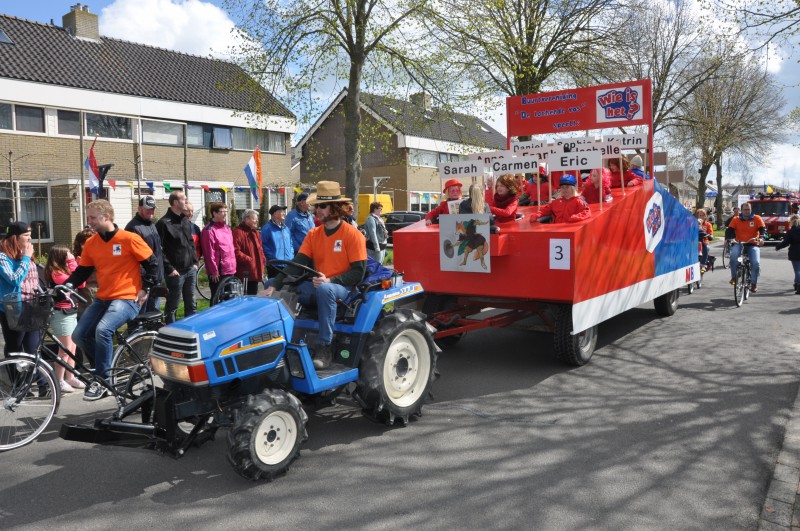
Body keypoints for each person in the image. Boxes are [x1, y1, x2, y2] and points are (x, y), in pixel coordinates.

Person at [264, 181, 367, 370]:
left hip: (343, 287)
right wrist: (275, 285)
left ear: (335, 208)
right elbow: (298, 263)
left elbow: (358, 273)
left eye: (322, 206)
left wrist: (331, 280)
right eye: (317, 206)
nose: (317, 210)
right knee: (271, 283)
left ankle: (324, 346)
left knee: (325, 289)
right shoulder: (314, 234)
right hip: (318, 283)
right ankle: (278, 341)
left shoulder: (353, 235)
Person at [65, 200, 158, 400]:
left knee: (103, 329)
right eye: (88, 217)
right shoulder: (91, 243)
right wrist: (67, 285)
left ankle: (103, 380)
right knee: (79, 335)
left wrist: (145, 289)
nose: (89, 221)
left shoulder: (129, 238)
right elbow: (82, 271)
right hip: (103, 298)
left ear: (106, 217)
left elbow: (153, 265)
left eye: (92, 218)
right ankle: (106, 365)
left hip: (128, 298)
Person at [44, 244, 85, 393]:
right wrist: (75, 263)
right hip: (62, 313)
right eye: (68, 254)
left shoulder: (64, 270)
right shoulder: (56, 273)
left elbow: (82, 283)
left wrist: (77, 265)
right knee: (64, 349)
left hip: (71, 311)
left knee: (72, 348)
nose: (71, 256)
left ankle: (70, 376)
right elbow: (77, 282)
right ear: (61, 257)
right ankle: (59, 380)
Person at [0, 222, 41, 369]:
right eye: (26, 236)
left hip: (31, 305)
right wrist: (26, 258)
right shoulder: (3, 257)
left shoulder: (25, 253)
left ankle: (42, 384)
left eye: (31, 235)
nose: (30, 239)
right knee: (15, 348)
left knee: (33, 348)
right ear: (15, 238)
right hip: (13, 308)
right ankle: (17, 387)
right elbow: (14, 279)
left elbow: (33, 279)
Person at [156, 190, 199, 323]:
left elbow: (190, 243)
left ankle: (191, 327)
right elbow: (159, 250)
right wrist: (170, 269)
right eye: (183, 200)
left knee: (191, 302)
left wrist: (195, 262)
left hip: (190, 269)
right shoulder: (163, 223)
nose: (186, 202)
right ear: (175, 202)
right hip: (176, 272)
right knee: (173, 304)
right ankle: (171, 331)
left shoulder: (185, 221)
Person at [125, 196, 164, 313]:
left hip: (155, 276)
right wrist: (145, 278)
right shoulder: (133, 227)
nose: (151, 211)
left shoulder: (152, 225)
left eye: (153, 209)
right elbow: (133, 256)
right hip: (143, 279)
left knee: (154, 311)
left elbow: (158, 250)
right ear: (139, 208)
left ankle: (152, 331)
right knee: (140, 312)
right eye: (148, 209)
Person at [725, 202, 766, 293]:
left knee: (755, 263)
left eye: (748, 209)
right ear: (741, 210)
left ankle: (754, 283)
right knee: (733, 257)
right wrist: (729, 239)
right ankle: (734, 277)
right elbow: (729, 231)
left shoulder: (757, 218)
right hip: (739, 243)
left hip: (753, 244)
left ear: (751, 210)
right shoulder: (736, 219)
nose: (747, 211)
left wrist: (762, 238)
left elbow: (763, 230)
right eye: (745, 209)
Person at [200, 201, 236, 305]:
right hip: (219, 271)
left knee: (229, 298)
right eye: (222, 211)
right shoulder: (209, 230)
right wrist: (213, 271)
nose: (225, 214)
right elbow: (208, 252)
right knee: (217, 298)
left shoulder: (227, 228)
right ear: (214, 213)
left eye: (226, 211)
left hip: (230, 268)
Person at [233, 209, 265, 295]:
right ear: (247, 220)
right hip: (244, 272)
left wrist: (262, 261)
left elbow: (260, 249)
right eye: (255, 219)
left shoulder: (256, 232)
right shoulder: (238, 232)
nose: (257, 221)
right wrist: (249, 260)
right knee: (244, 297)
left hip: (255, 271)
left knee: (253, 295)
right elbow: (235, 251)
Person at [262, 204, 293, 279]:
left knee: (286, 289)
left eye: (283, 211)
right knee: (274, 288)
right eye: (281, 211)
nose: (284, 213)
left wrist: (291, 256)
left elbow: (291, 244)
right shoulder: (267, 228)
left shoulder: (286, 228)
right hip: (275, 265)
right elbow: (263, 244)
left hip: (288, 264)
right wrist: (272, 257)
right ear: (274, 214)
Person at [775, 214, 800, 294]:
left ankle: (798, 285)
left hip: (794, 252)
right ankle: (796, 284)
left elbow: (786, 242)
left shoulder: (790, 231)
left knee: (797, 270)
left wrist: (778, 247)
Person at [697, 209, 714, 273]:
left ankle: (703, 264)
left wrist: (710, 236)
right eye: (700, 215)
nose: (701, 217)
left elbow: (711, 234)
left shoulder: (708, 224)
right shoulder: (694, 223)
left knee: (706, 248)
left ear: (705, 216)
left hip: (704, 241)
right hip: (695, 242)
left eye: (703, 215)